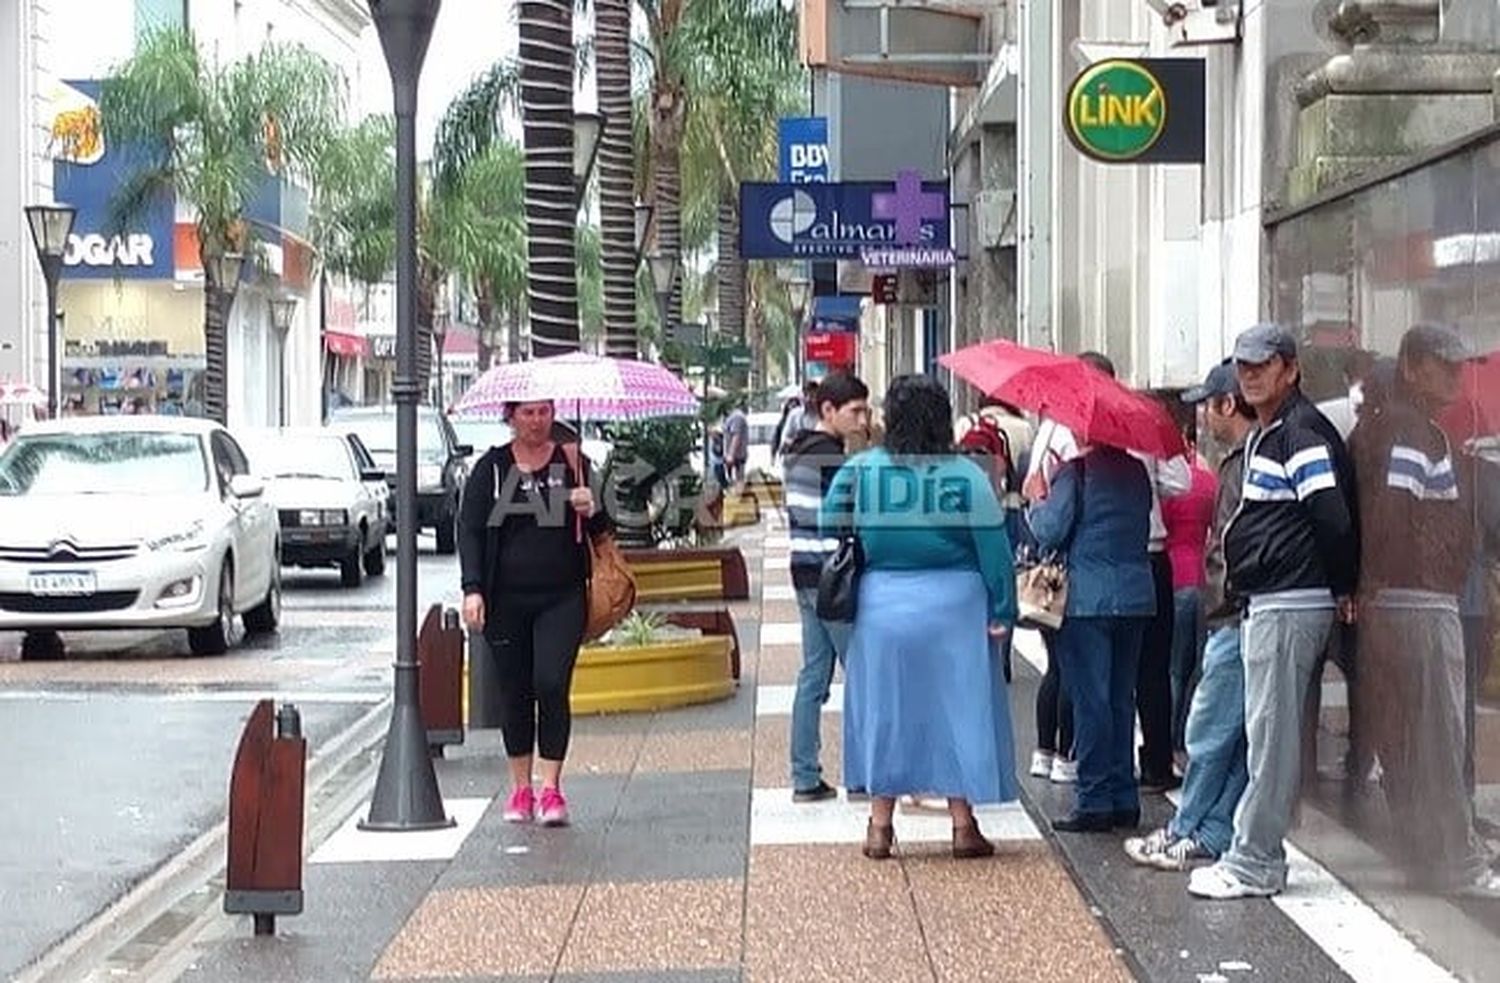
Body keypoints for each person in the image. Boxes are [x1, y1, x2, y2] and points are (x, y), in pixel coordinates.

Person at [1189, 324, 1359, 900]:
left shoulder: (1299, 434)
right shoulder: (1275, 433)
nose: (1251, 374)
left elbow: (1332, 518)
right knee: (1268, 735)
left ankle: (1257, 859)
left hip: (1290, 602)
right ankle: (1253, 853)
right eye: (1244, 366)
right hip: (1272, 602)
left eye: (1263, 364)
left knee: (1272, 737)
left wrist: (1342, 585)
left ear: (1290, 368)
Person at [820, 375, 1018, 860]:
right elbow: (996, 551)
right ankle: (962, 824)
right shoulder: (968, 474)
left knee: (888, 711)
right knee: (958, 710)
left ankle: (879, 827)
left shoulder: (863, 468)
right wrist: (1003, 609)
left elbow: (829, 520)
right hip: (957, 608)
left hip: (882, 607)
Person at [1348, 324, 1499, 898]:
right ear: (1412, 366)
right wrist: (1380, 581)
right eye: (1445, 364)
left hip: (1406, 601)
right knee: (1438, 736)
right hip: (1419, 603)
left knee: (1417, 737)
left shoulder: (1404, 430)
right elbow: (1392, 513)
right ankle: (1455, 862)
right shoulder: (1415, 433)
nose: (1457, 375)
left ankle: (1428, 854)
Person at [1126, 360, 1253, 872]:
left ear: (1227, 404)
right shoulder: (1212, 468)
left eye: (1208, 404)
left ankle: (1190, 826)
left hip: (1222, 604)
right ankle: (1210, 827)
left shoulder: (1239, 463)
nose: (1202, 414)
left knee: (1208, 720)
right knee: (1215, 714)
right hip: (1208, 595)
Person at [458, 399, 606, 829]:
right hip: (506, 599)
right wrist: (473, 589)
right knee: (515, 690)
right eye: (528, 413)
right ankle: (521, 787)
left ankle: (551, 787)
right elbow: (469, 530)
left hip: (562, 596)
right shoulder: (492, 468)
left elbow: (602, 531)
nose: (538, 422)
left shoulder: (574, 462)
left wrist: (589, 508)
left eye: (544, 412)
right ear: (511, 417)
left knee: (552, 683)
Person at [1027, 428, 1156, 832]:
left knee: (1090, 700)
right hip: (1135, 595)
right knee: (1121, 697)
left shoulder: (1074, 473)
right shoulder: (1137, 473)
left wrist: (1036, 497)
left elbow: (1050, 531)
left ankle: (1095, 798)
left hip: (1086, 601)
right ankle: (1123, 796)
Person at [784, 373, 871, 802]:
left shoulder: (796, 450)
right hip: (833, 578)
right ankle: (862, 775)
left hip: (804, 574)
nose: (863, 419)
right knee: (864, 673)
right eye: (855, 411)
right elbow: (850, 519)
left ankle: (804, 776)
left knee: (813, 676)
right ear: (828, 411)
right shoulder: (834, 459)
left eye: (865, 410)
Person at [1163, 444, 1217, 766]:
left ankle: (1168, 735)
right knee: (1197, 665)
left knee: (1173, 667)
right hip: (1202, 576)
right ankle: (1186, 731)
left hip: (1174, 573)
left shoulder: (1172, 487)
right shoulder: (1208, 481)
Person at [723, 401, 749, 489]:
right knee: (734, 483)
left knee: (737, 483)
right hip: (735, 458)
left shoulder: (737, 417)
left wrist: (731, 455)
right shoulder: (732, 417)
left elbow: (736, 436)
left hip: (736, 458)